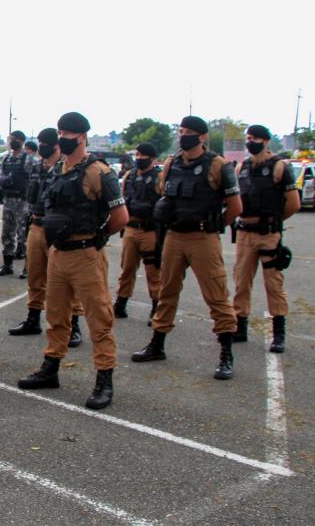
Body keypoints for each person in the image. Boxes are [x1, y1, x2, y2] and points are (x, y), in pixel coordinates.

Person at [17, 112, 127, 410]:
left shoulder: (99, 172)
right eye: (60, 132)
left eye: (67, 133)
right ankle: (50, 368)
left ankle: (104, 379)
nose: (62, 137)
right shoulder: (58, 170)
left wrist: (98, 238)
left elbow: (120, 217)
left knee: (99, 319)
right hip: (58, 253)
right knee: (56, 315)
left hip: (85, 253)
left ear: (82, 136)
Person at [132, 116, 241, 380]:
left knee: (216, 295)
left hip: (203, 237)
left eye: (189, 132)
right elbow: (164, 193)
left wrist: (214, 225)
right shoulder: (172, 163)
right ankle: (157, 344)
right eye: (181, 131)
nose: (183, 136)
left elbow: (236, 207)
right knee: (166, 291)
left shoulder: (217, 165)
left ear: (203, 137)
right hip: (174, 236)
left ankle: (226, 353)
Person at [8, 128, 84, 347]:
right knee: (35, 275)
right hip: (36, 225)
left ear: (56, 145)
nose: (41, 146)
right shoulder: (36, 167)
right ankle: (33, 319)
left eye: (45, 143)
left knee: (66, 279)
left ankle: (74, 325)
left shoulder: (66, 168)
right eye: (39, 142)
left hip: (58, 231)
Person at [232, 124, 299, 353]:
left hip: (268, 234)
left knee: (273, 283)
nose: (250, 142)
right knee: (241, 281)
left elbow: (293, 204)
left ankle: (278, 333)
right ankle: (240, 326)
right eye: (248, 138)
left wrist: (274, 221)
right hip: (245, 233)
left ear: (266, 141)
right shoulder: (242, 166)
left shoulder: (279, 167)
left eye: (255, 138)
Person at [113, 143, 162, 324]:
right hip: (131, 228)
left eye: (144, 155)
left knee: (153, 271)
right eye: (138, 155)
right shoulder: (129, 176)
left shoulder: (159, 178)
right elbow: (123, 200)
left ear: (153, 158)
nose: (140, 158)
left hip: (150, 230)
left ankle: (156, 307)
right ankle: (121, 303)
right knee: (127, 268)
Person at [0, 130, 32, 277]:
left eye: (16, 139)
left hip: (23, 202)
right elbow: (2, 177)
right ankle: (7, 265)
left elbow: (33, 179)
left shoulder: (28, 159)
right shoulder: (7, 159)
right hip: (9, 201)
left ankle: (28, 268)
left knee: (24, 235)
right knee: (7, 234)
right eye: (11, 138)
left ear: (22, 141)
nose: (13, 141)